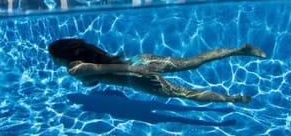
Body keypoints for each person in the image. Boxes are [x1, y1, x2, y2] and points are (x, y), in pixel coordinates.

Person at [48, 38, 266, 104]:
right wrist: (138, 65)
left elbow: (104, 69)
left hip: (137, 77)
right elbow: (100, 70)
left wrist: (138, 71)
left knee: (185, 93)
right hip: (140, 58)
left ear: (61, 56)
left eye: (52, 57)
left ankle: (233, 98)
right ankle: (240, 49)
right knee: (192, 61)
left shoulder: (74, 69)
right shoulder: (89, 55)